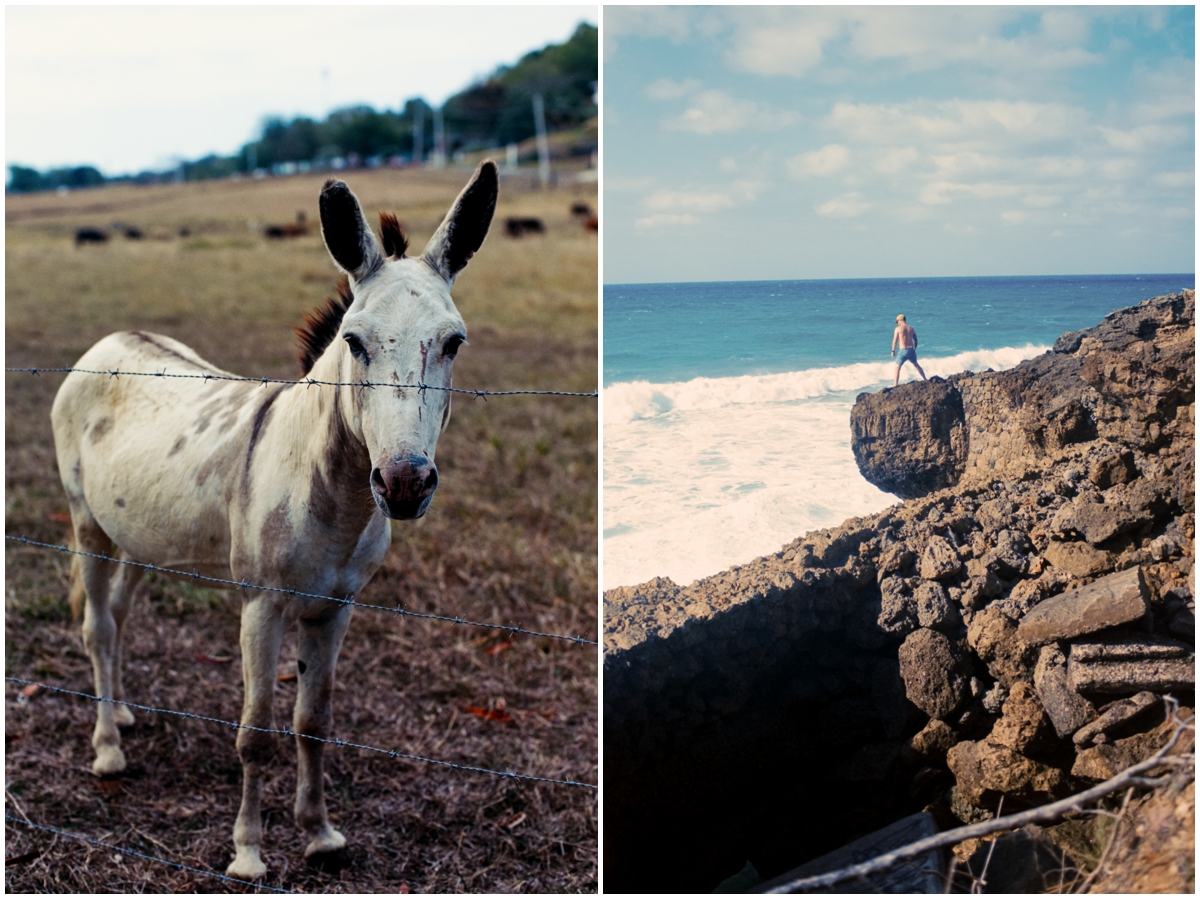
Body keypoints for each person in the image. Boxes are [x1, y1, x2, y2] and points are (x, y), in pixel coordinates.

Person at [891, 314, 927, 387]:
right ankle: (925, 379)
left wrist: (893, 351)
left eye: (897, 321)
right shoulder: (911, 329)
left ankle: (895, 385)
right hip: (911, 350)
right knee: (916, 365)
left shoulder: (898, 329)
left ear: (901, 320)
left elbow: (894, 341)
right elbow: (916, 340)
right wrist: (914, 349)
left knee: (897, 368)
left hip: (903, 351)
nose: (897, 323)